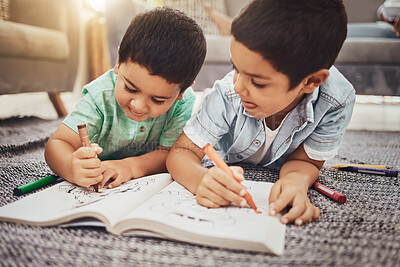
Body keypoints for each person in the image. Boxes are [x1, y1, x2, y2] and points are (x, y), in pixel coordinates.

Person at [167, 0, 355, 226]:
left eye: (257, 82)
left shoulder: (335, 101)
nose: (238, 87)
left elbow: (306, 162)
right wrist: (200, 179)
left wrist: (296, 180)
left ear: (311, 81)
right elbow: (180, 153)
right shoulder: (227, 93)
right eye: (235, 68)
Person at [45, 8, 206, 189]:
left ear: (182, 91)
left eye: (158, 100)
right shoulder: (101, 95)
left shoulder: (182, 102)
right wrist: (71, 167)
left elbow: (169, 154)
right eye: (130, 88)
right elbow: (57, 144)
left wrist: (129, 167)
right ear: (119, 61)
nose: (138, 106)